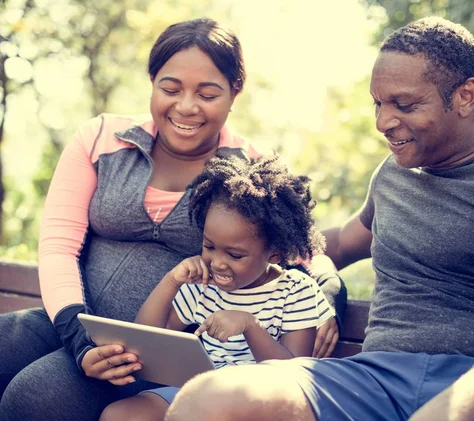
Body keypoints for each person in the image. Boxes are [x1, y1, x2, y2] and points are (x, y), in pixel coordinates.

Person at [163, 16, 474, 421]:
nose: (384, 122)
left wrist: (448, 409)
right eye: (378, 104)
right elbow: (329, 245)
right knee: (208, 399)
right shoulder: (393, 175)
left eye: (404, 104)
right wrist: (318, 283)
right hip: (377, 379)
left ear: (465, 96)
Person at [0, 18, 344, 421]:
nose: (186, 106)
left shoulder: (248, 174)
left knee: (32, 399)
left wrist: (329, 298)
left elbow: (301, 249)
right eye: (170, 88)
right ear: (152, 80)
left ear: (235, 93)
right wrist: (78, 337)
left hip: (154, 350)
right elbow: (59, 245)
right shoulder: (102, 140)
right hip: (71, 319)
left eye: (208, 93)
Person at [99, 154, 335, 421]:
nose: (218, 263)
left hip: (259, 404)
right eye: (209, 247)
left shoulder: (295, 291)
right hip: (197, 390)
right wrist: (171, 282)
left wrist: (250, 326)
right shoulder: (202, 284)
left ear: (275, 255)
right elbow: (146, 339)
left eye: (234, 255)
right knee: (119, 415)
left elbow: (293, 377)